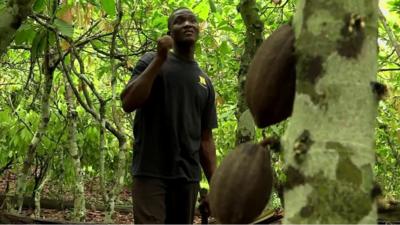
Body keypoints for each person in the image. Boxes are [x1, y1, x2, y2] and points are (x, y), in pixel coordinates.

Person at [120, 7, 218, 224]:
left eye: (192, 21)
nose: (187, 24)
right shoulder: (150, 61)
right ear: (169, 32)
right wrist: (160, 58)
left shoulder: (205, 82)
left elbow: (206, 140)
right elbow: (128, 102)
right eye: (179, 21)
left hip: (187, 178)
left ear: (198, 29)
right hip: (150, 172)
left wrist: (216, 187)